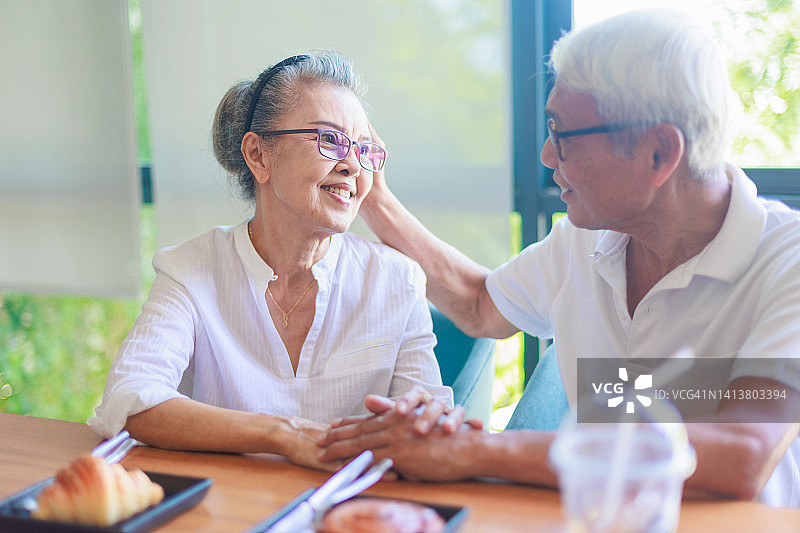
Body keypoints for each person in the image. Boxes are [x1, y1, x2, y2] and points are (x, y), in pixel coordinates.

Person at [317, 9, 800, 506]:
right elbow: (480, 304)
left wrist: (471, 450)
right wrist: (373, 197)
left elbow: (741, 454)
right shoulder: (583, 241)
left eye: (560, 133)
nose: (547, 156)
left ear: (658, 152)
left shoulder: (788, 261)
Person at [88, 51, 453, 471]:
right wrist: (285, 435)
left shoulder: (397, 281)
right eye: (330, 139)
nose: (353, 165)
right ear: (259, 156)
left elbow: (432, 429)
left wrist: (428, 426)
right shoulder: (191, 270)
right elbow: (129, 397)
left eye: (364, 149)